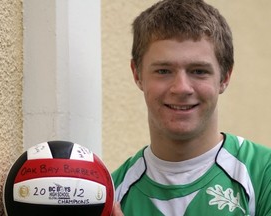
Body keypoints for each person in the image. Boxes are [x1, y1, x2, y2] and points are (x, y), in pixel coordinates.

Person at [110, 0, 271, 215]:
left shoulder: (263, 173)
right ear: (137, 74)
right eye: (163, 71)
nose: (181, 88)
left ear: (225, 77)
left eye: (198, 71)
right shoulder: (112, 195)